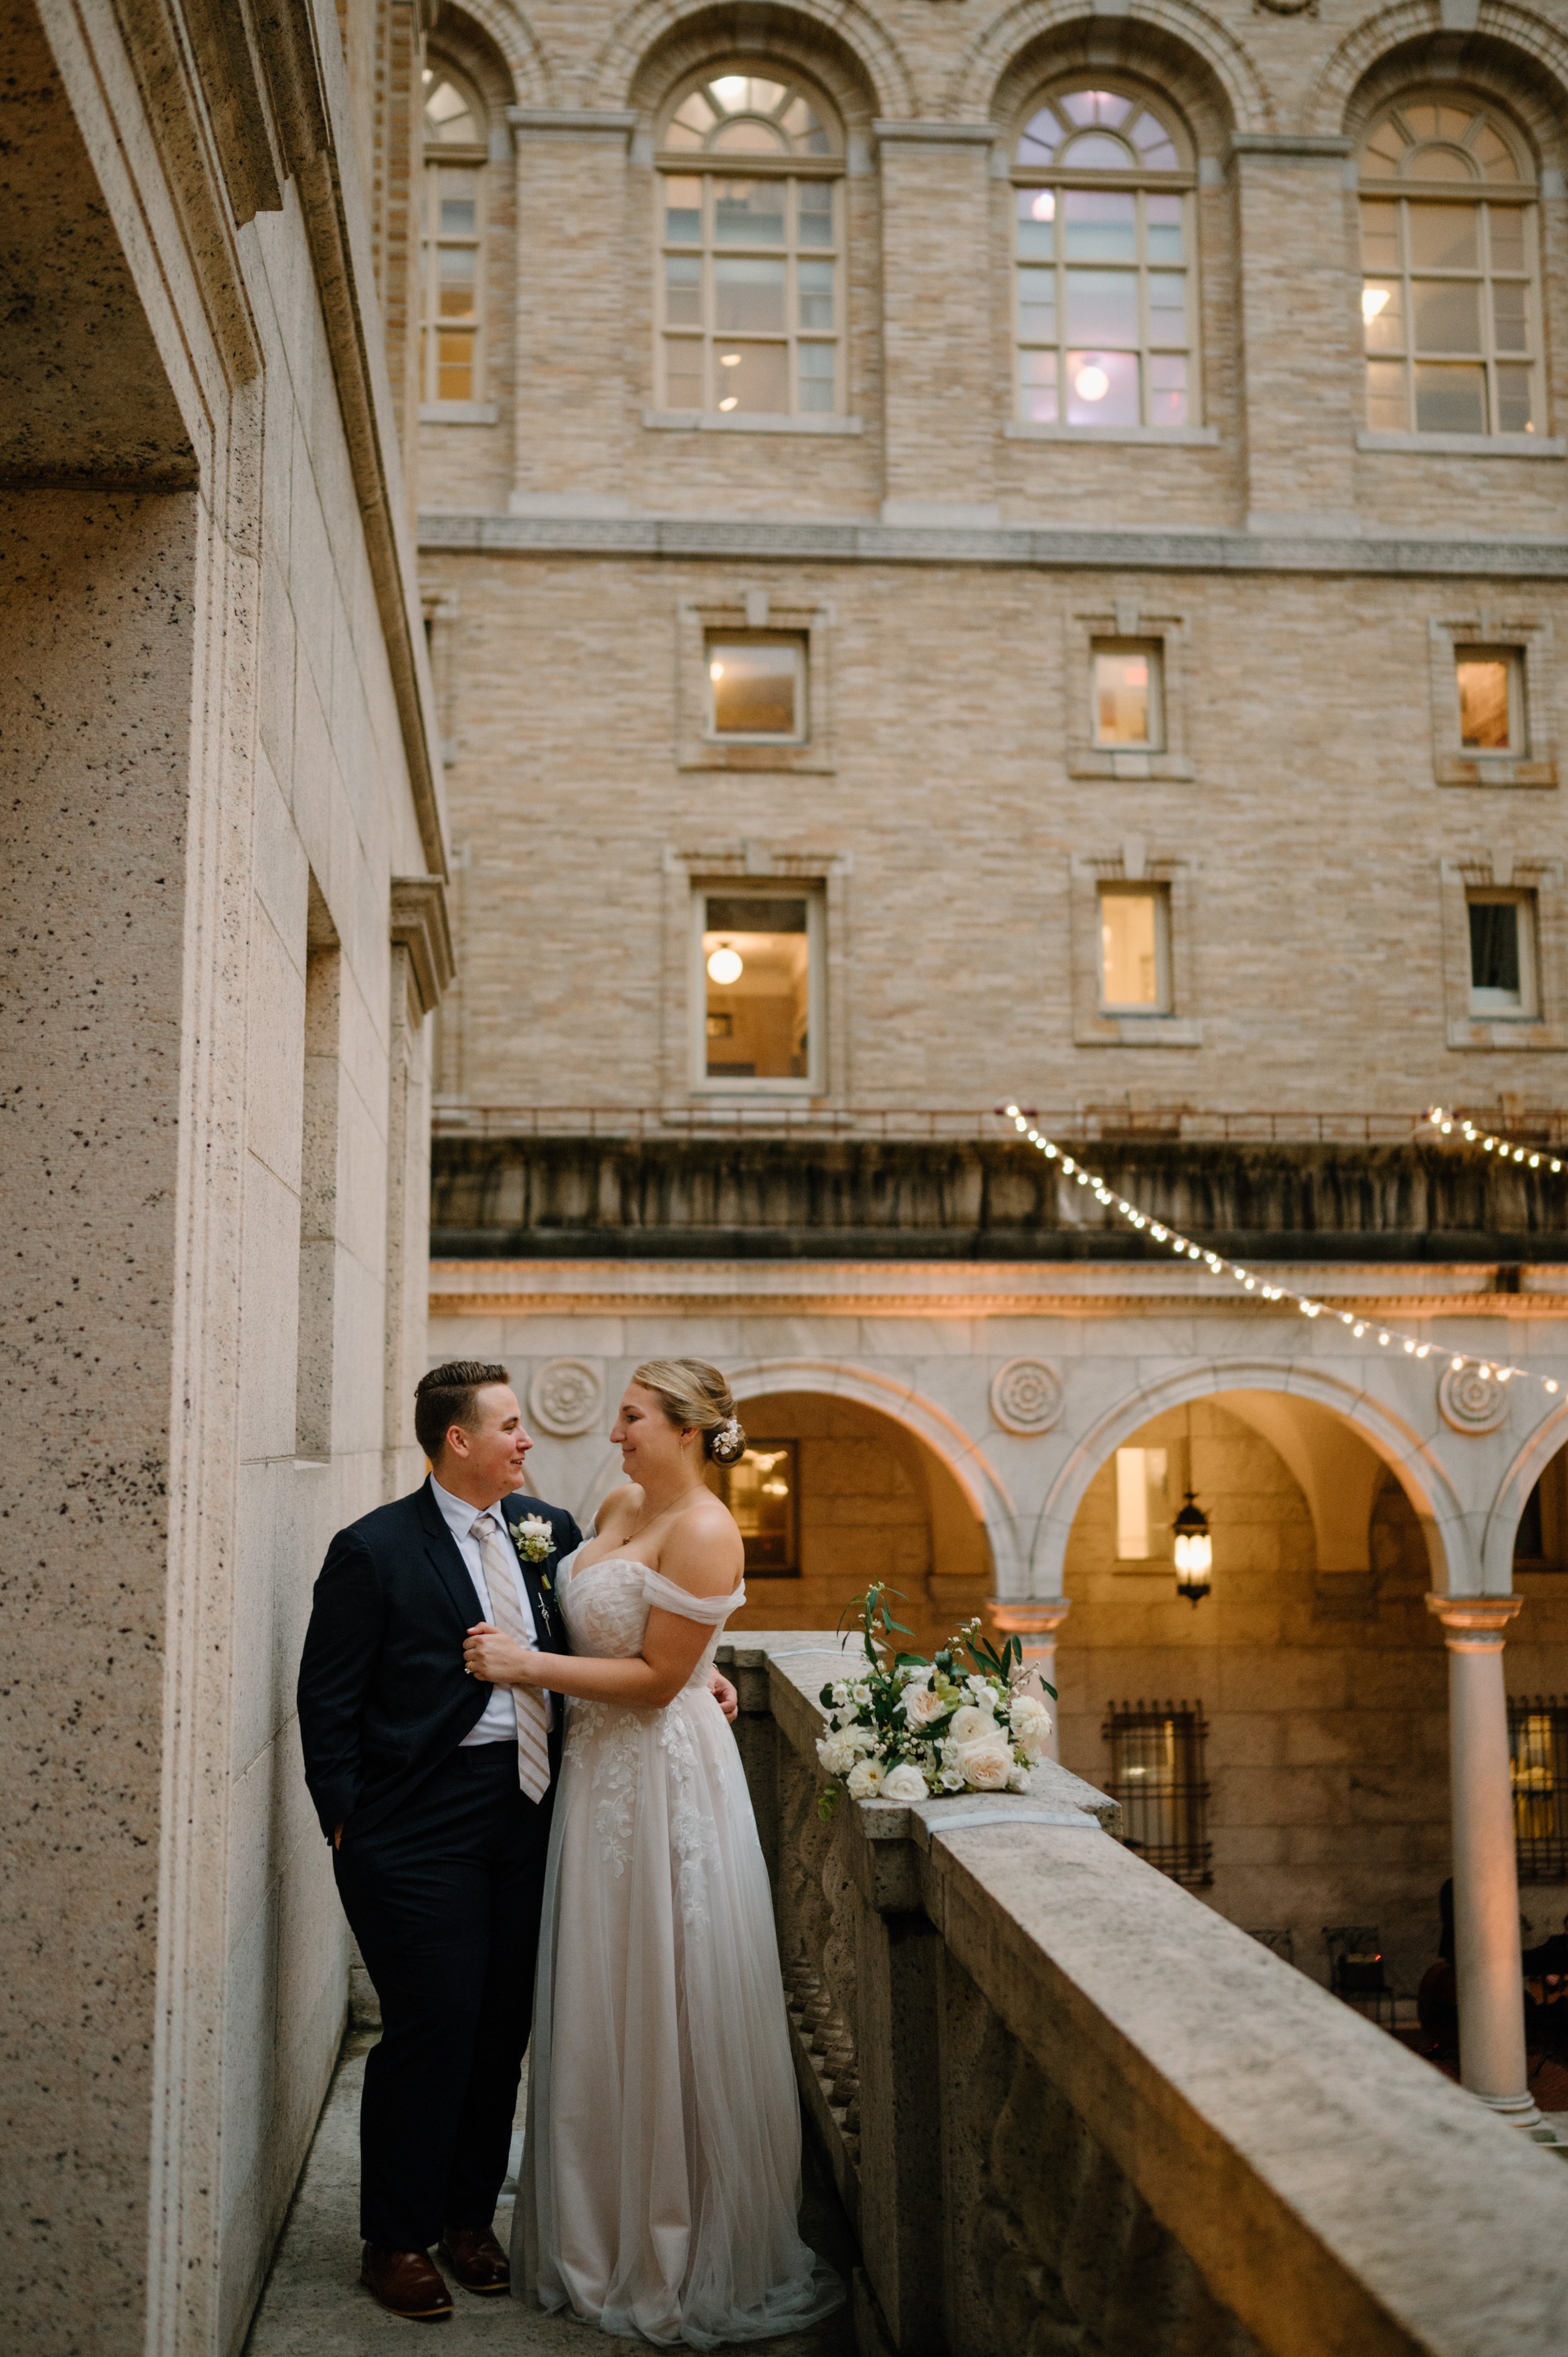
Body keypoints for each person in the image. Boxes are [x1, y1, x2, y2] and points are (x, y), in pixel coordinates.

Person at [295, 1358, 740, 2322]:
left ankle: (466, 2218)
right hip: (416, 1824)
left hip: (536, 1806)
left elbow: (619, 1626)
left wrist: (694, 1673)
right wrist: (345, 1815)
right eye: (509, 1425)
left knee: (504, 2023)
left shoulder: (555, 1534)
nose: (527, 1439)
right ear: (459, 1440)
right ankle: (397, 2236)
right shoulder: (373, 1549)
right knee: (433, 2020)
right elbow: (324, 1700)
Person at [467, 1356, 843, 2346]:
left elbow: (652, 1675)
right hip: (596, 1781)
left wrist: (525, 1666)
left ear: (685, 1426)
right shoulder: (617, 1499)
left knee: (666, 1991)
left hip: (664, 1778)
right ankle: (598, 2217)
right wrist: (702, 1668)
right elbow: (643, 1634)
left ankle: (671, 2236)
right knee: (599, 1991)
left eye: (631, 1416)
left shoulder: (709, 1529)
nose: (615, 1432)